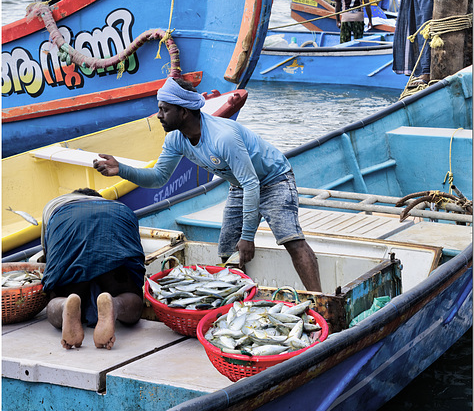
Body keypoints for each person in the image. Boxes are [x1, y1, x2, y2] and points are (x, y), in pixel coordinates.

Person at [93, 77, 322, 292]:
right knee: (227, 251)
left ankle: (320, 301)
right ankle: (239, 300)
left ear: (183, 112)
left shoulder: (223, 137)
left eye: (164, 109)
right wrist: (121, 169)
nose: (158, 115)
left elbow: (252, 185)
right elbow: (158, 178)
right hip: (240, 184)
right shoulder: (176, 139)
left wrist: (248, 236)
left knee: (291, 239)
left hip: (273, 180)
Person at [41, 188, 145, 350]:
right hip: (114, 241)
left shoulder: (54, 206)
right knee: (132, 296)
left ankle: (64, 305)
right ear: (98, 198)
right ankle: (115, 305)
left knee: (56, 296)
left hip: (70, 241)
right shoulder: (120, 208)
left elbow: (50, 257)